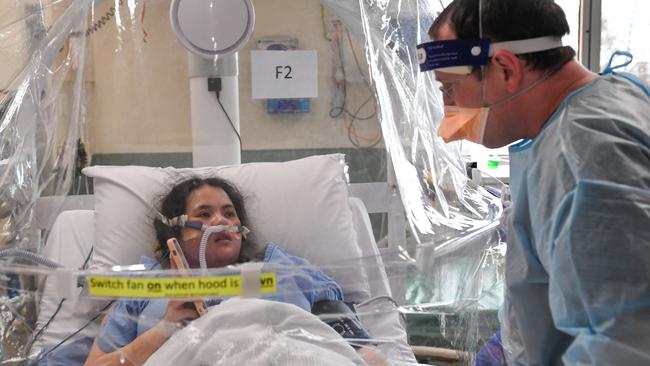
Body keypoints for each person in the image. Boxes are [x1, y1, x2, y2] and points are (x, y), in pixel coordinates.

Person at [420, 0, 650, 364]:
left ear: (505, 68)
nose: (448, 108)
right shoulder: (614, 98)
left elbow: (624, 343)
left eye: (449, 88)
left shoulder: (580, 152)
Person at [83, 177, 381, 366]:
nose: (221, 221)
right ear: (174, 228)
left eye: (229, 213)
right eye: (204, 214)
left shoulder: (284, 270)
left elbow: (363, 352)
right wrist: (165, 329)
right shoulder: (147, 287)